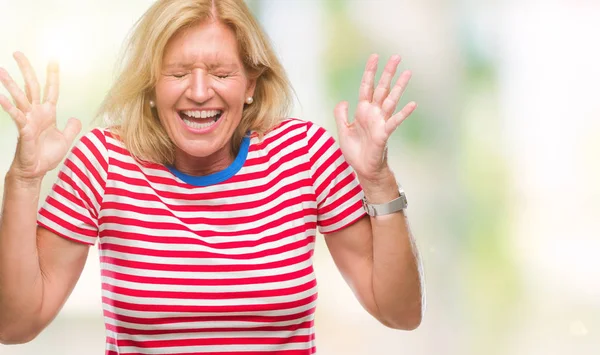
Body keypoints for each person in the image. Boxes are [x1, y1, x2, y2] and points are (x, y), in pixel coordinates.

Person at [0, 0, 424, 353]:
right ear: (151, 84)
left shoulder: (304, 154)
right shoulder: (104, 161)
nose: (200, 92)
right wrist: (22, 180)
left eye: (221, 74)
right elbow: (16, 325)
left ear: (251, 84)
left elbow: (400, 313)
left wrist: (378, 180)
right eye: (179, 73)